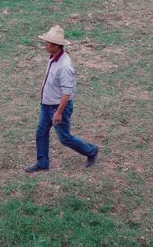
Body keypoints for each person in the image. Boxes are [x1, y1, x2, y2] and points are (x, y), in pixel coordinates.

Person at [25, 25, 99, 173]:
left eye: (48, 42)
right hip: (47, 105)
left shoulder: (64, 66)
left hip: (58, 107)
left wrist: (58, 112)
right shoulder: (53, 57)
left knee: (64, 138)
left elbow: (67, 92)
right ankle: (42, 163)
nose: (45, 44)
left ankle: (91, 151)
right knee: (41, 132)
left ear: (56, 45)